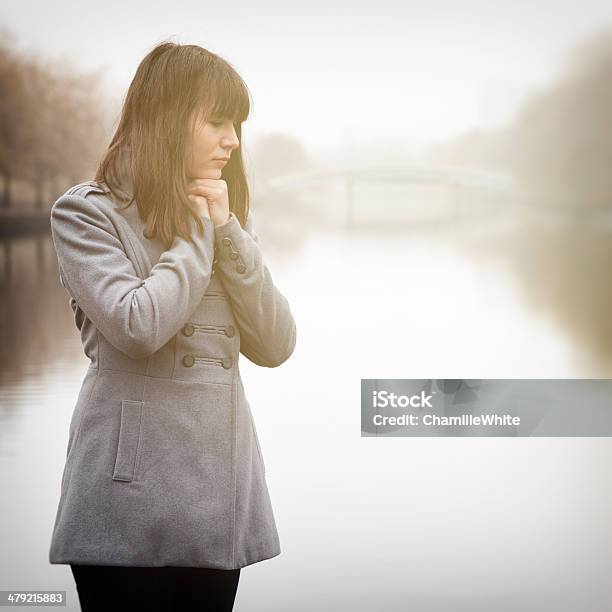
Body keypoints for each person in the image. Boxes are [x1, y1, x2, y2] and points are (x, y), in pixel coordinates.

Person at [47, 41, 297, 611]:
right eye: (217, 122)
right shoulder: (89, 213)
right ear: (167, 118)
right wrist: (197, 234)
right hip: (126, 502)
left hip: (217, 499)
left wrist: (229, 229)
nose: (233, 140)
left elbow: (278, 343)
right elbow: (138, 324)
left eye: (236, 125)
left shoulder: (223, 216)